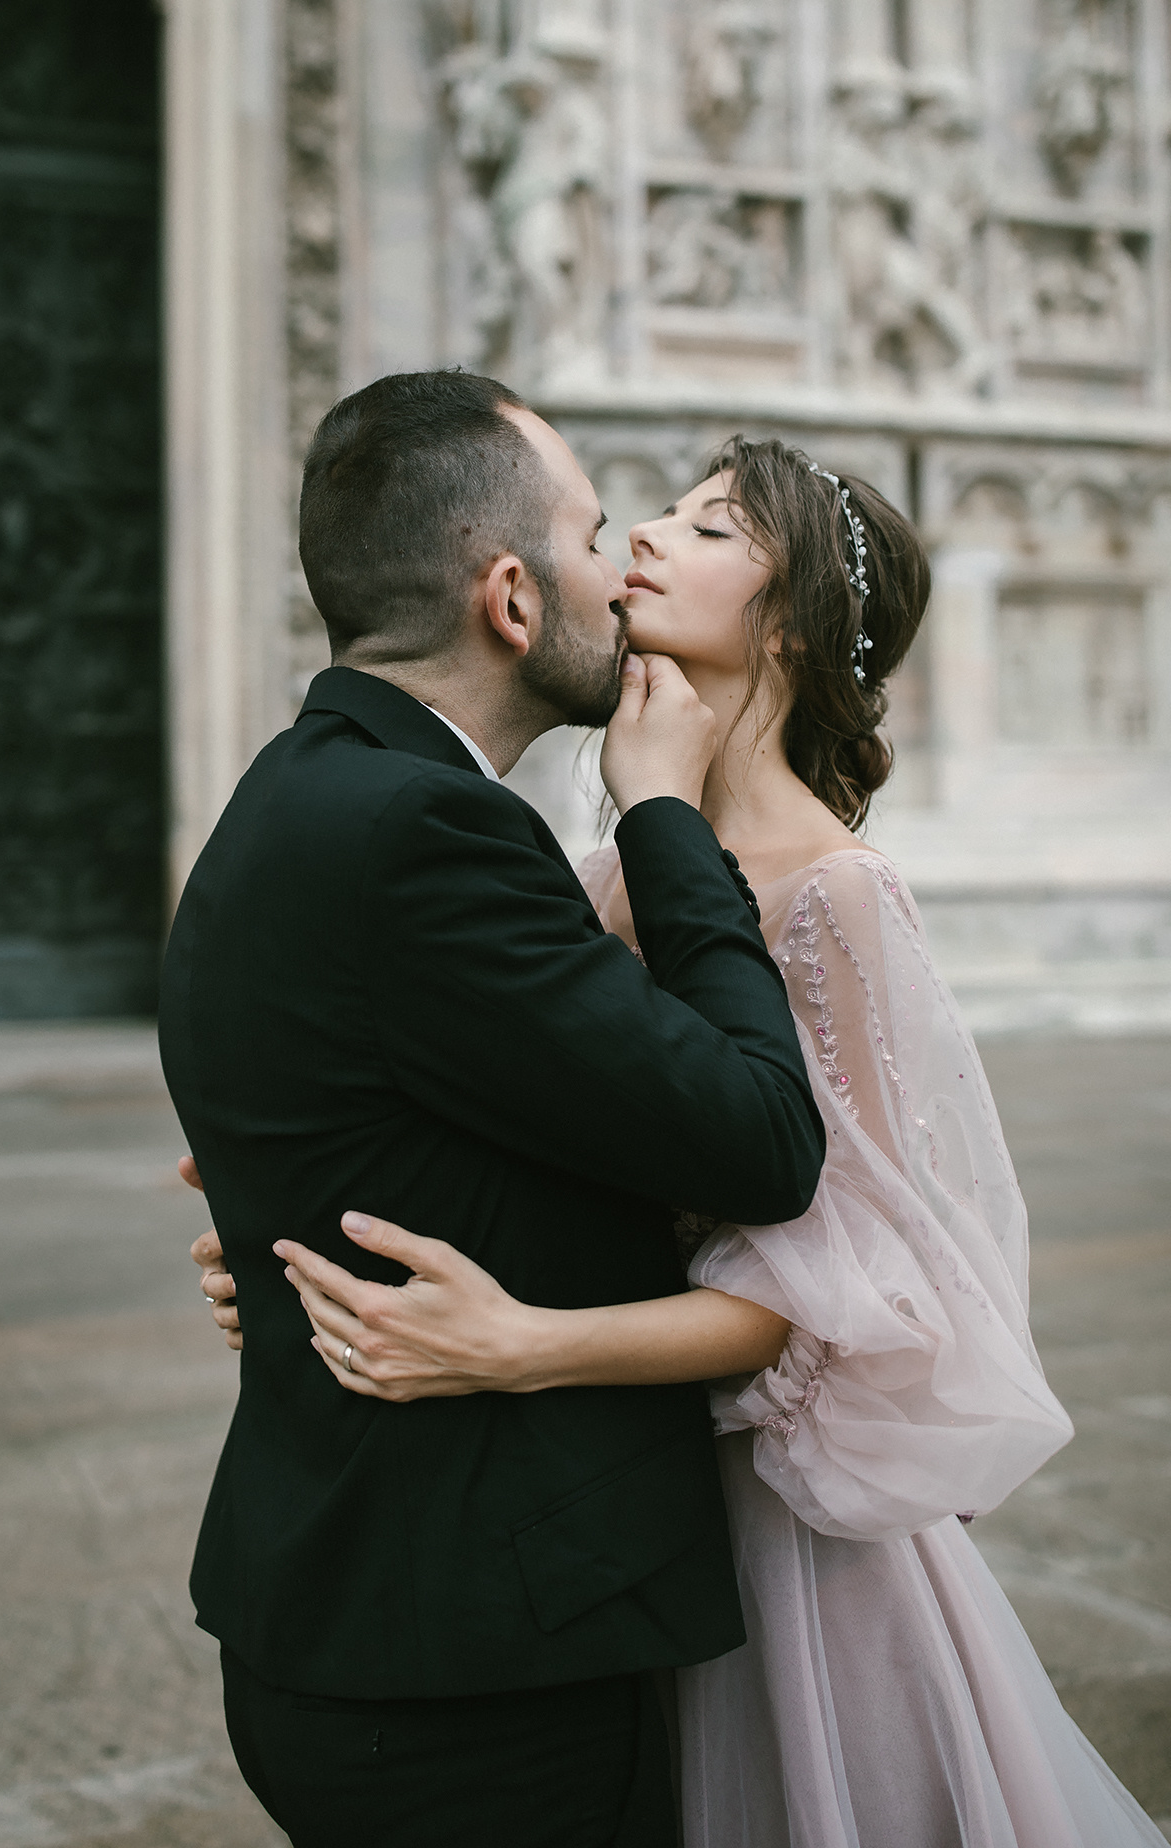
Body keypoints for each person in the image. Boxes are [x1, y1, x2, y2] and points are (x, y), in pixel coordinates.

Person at [197, 435, 1167, 1848]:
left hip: (769, 1530)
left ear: (787, 622)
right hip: (595, 1510)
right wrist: (300, 1213)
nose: (645, 537)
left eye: (707, 529)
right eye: (648, 513)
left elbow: (846, 1285)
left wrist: (519, 1340)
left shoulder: (834, 894)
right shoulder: (592, 874)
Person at [159, 374, 826, 1848]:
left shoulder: (294, 792)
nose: (628, 562)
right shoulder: (428, 834)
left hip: (360, 1613)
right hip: (469, 1664)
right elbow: (762, 1142)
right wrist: (661, 813)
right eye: (597, 532)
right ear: (513, 598)